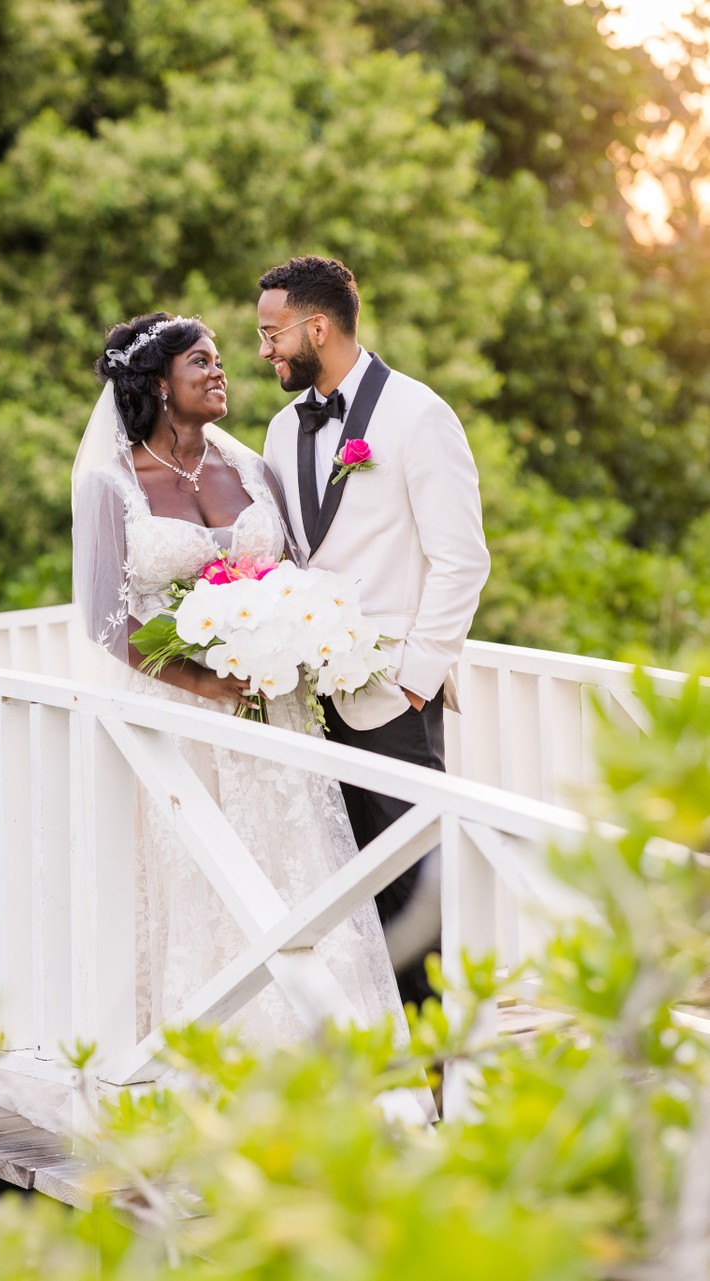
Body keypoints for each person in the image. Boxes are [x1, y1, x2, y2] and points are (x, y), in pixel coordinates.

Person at [71, 311, 412, 1054]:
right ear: (159, 383)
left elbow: (293, 576)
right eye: (201, 361)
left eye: (219, 358)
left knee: (293, 864)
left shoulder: (251, 469)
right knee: (202, 873)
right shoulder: (111, 484)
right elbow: (105, 619)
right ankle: (210, 1049)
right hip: (177, 716)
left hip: (272, 707)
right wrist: (201, 681)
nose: (221, 370)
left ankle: (324, 1044)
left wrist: (291, 635)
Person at [259, 256, 491, 1006]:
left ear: (317, 327)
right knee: (342, 903)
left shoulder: (419, 415)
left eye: (271, 333)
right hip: (308, 704)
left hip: (393, 702)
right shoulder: (280, 429)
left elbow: (462, 560)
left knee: (417, 907)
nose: (263, 350)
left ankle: (437, 1072)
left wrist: (414, 681)